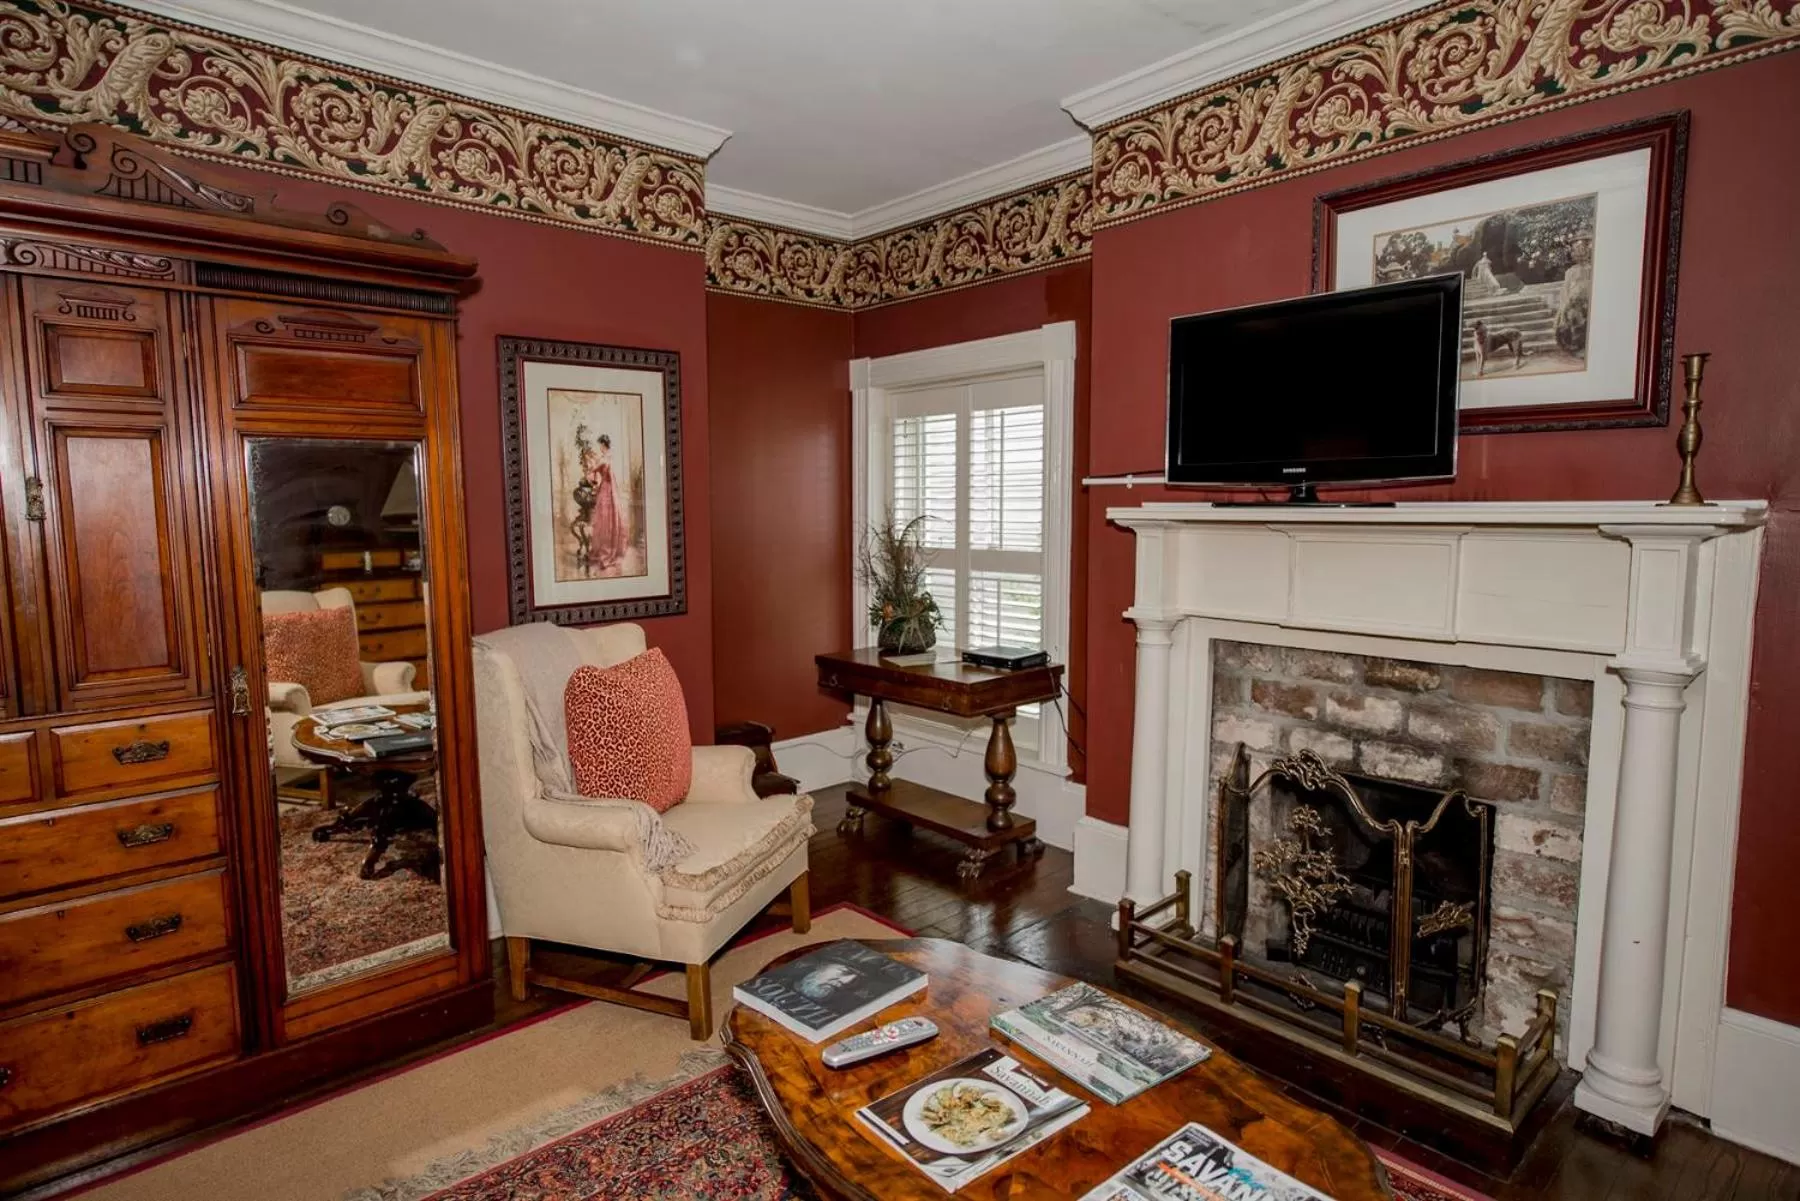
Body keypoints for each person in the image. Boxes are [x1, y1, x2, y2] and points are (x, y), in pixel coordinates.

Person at [583, 433, 628, 572]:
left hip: (607, 490)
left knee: (606, 520)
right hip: (607, 489)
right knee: (605, 520)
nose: (600, 448)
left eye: (600, 445)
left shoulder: (606, 458)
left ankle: (607, 551)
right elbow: (597, 472)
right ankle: (606, 548)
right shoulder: (607, 457)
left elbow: (595, 470)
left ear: (603, 444)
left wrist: (590, 471)